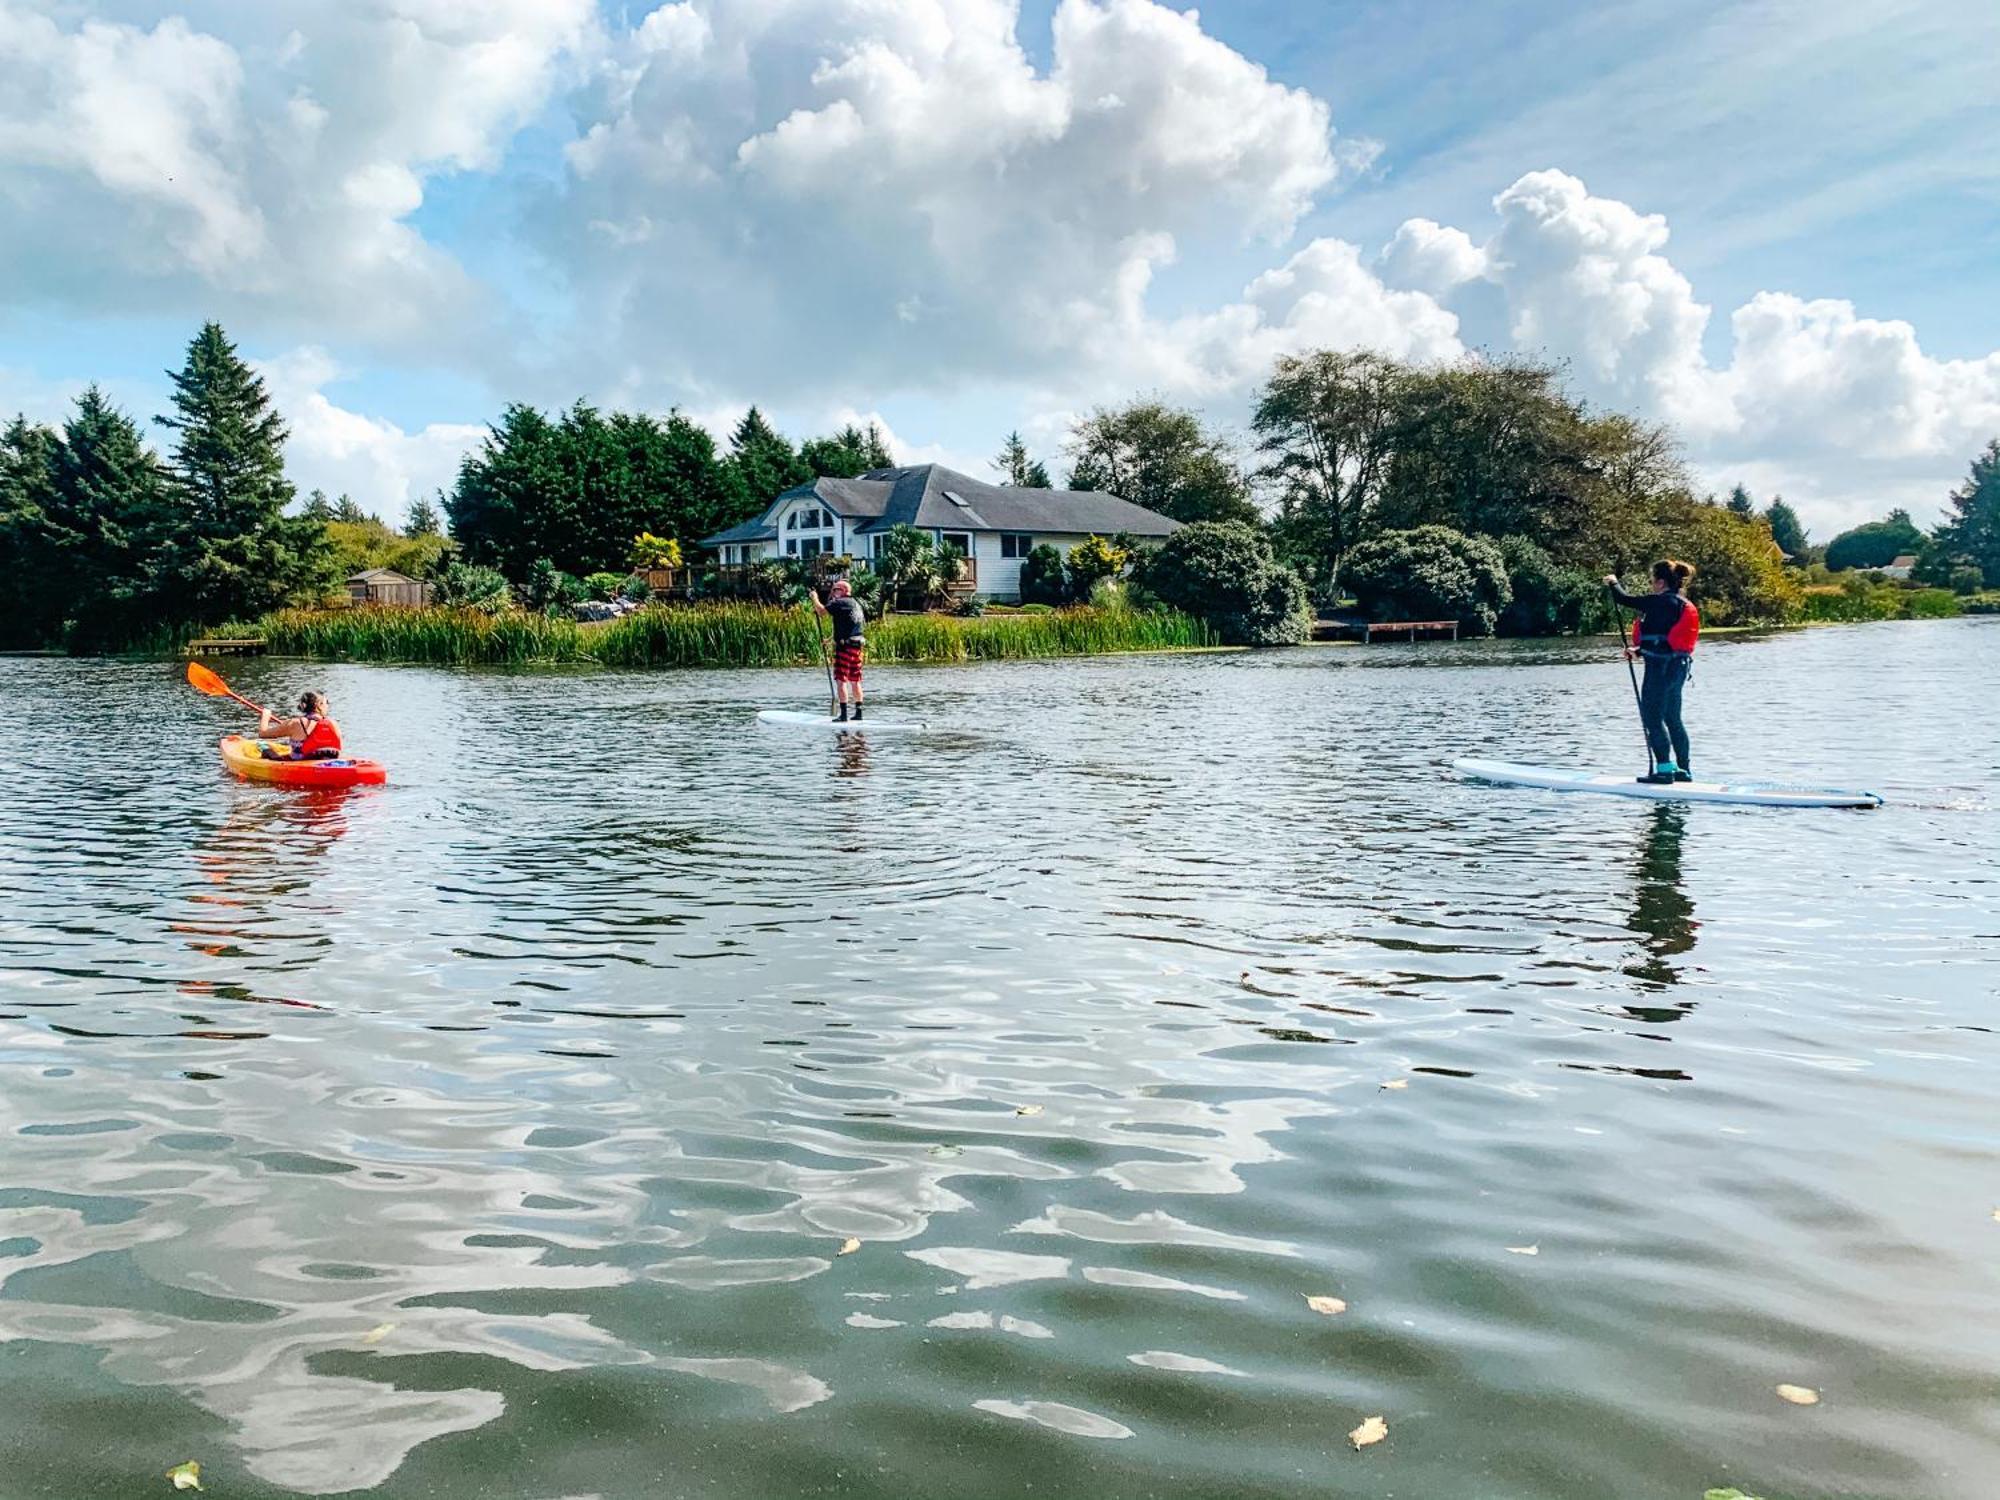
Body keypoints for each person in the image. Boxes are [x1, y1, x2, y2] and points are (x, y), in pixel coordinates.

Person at [1603, 560, 1700, 784]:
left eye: (1652, 581)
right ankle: (1682, 770)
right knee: (1672, 718)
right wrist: (1639, 650)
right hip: (1678, 668)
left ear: (1660, 582)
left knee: (1653, 718)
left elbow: (1623, 599)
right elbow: (1663, 639)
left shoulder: (1659, 602)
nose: (1651, 585)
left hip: (1660, 670)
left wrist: (1613, 582)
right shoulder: (1680, 603)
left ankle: (1664, 770)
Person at [813, 578, 867, 722]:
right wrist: (831, 639)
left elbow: (822, 612)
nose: (833, 592)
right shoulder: (856, 604)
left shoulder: (840, 602)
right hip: (857, 647)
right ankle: (858, 713)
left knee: (841, 679)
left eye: (835, 589)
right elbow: (850, 626)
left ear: (843, 591)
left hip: (845, 647)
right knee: (855, 680)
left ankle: (843, 715)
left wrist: (815, 598)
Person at [258, 691, 343, 760]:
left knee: (266, 750)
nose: (328, 705)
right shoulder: (333, 723)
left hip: (301, 764)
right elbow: (339, 749)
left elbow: (263, 733)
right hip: (327, 763)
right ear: (319, 705)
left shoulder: (294, 723)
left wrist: (265, 716)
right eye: (326, 702)